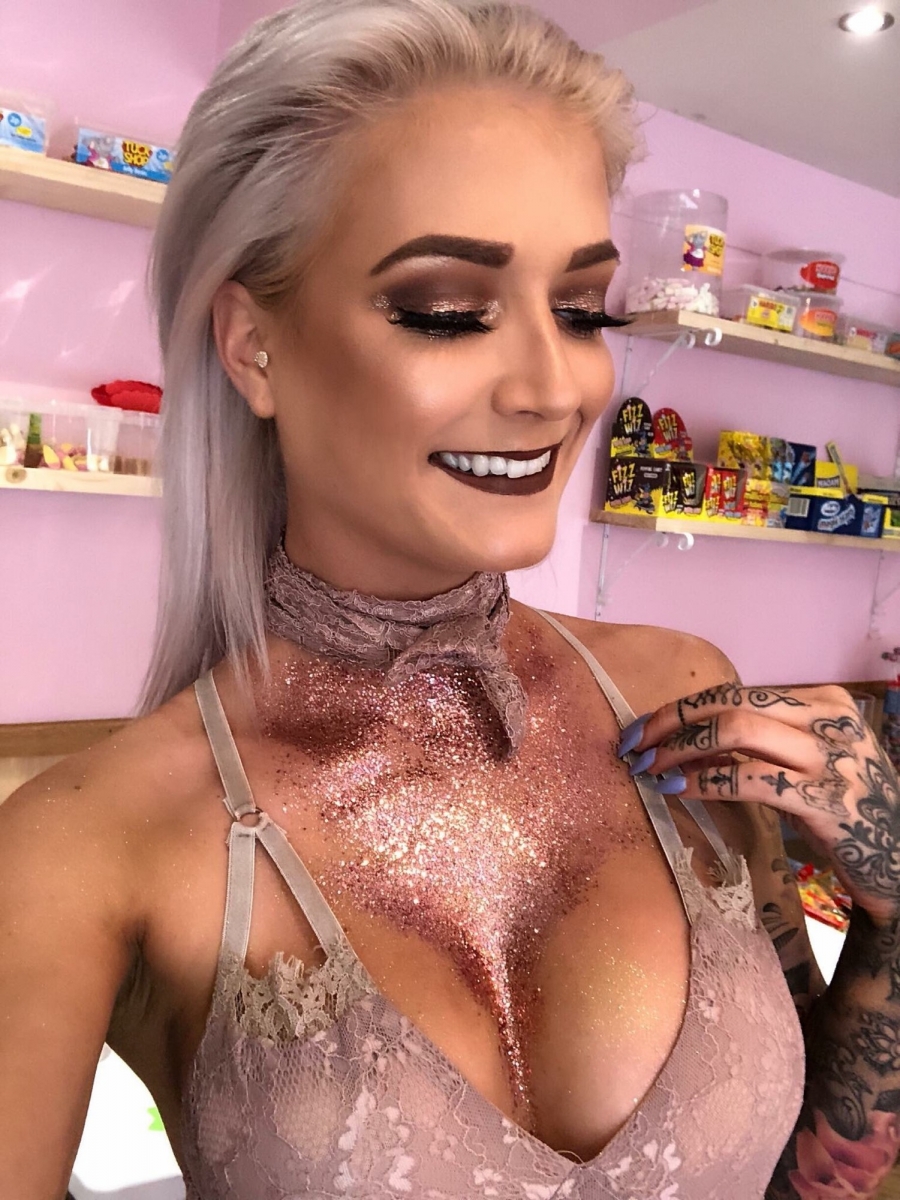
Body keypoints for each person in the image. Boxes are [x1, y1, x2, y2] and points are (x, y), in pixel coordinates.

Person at [2, 2, 900, 1197]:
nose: (554, 386)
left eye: (581, 310)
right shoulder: (86, 848)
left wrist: (892, 909)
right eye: (445, 312)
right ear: (254, 347)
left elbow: (804, 1177)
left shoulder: (682, 698)